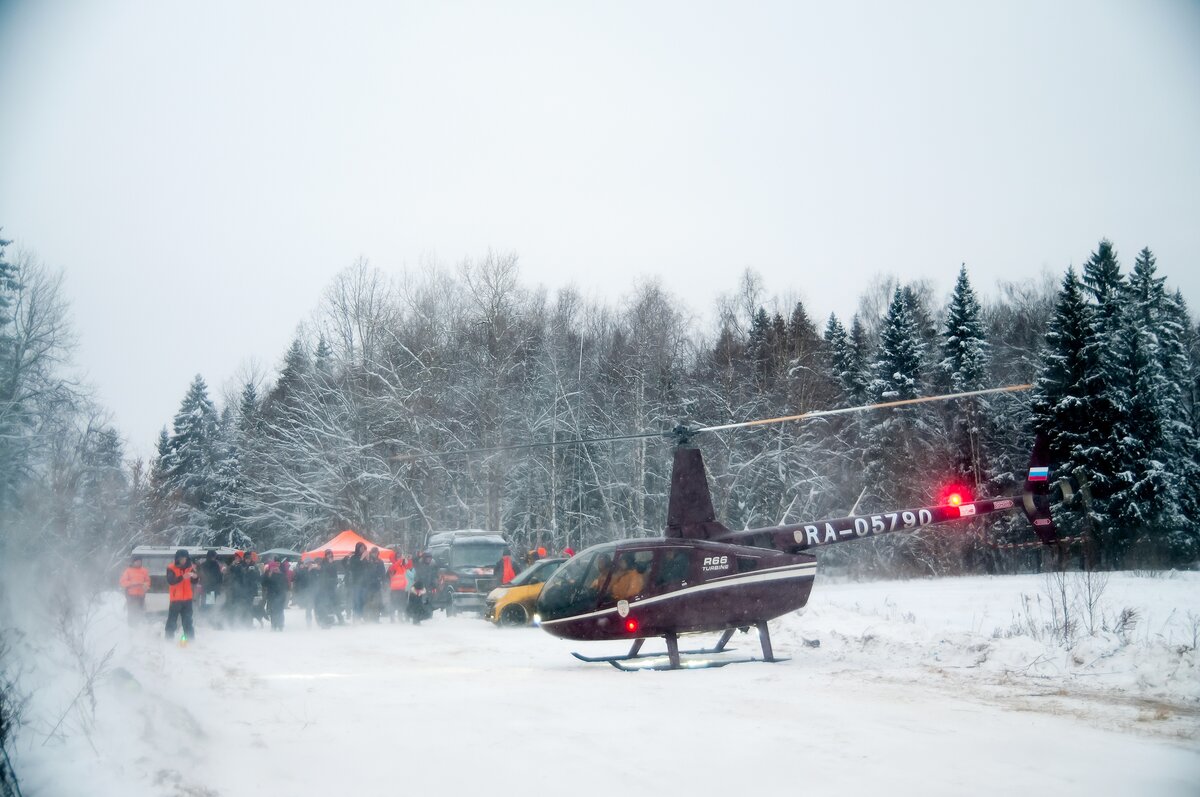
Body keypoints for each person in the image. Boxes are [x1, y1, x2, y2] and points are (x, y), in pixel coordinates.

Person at [164, 549, 198, 641]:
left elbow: (195, 581)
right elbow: (171, 581)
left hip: (187, 599)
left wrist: (195, 577)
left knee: (188, 621)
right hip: (175, 599)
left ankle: (190, 640)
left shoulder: (190, 567)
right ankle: (168, 640)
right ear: (177, 558)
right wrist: (182, 577)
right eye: (181, 558)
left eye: (185, 558)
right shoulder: (171, 567)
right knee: (172, 621)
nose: (183, 560)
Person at [118, 555, 151, 625]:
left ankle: (140, 626)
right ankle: (131, 627)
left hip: (141, 595)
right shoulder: (128, 571)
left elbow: (148, 581)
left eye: (140, 561)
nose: (138, 563)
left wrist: (146, 585)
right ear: (133, 562)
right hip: (131, 595)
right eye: (137, 561)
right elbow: (122, 582)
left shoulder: (144, 571)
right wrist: (132, 583)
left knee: (140, 611)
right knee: (132, 612)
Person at [408, 552, 436, 625]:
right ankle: (416, 619)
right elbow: (414, 560)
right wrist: (417, 556)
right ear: (424, 558)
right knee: (417, 603)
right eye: (427, 558)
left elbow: (433, 576)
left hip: (427, 587)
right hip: (418, 586)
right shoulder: (419, 564)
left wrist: (433, 585)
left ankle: (424, 617)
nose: (429, 560)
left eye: (430, 558)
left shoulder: (431, 566)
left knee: (426, 603)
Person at [261, 556, 289, 631]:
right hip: (271, 596)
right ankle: (273, 625)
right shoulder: (267, 574)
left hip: (280, 595)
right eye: (272, 567)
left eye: (275, 567)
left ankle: (280, 625)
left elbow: (286, 585)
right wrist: (268, 575)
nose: (274, 569)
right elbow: (263, 584)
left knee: (280, 610)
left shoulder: (281, 574)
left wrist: (280, 574)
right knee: (272, 611)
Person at [315, 550, 341, 628]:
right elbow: (322, 571)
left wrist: (336, 581)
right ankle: (326, 620)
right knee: (326, 603)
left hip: (332, 586)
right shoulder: (323, 563)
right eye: (328, 555)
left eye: (330, 555)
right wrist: (329, 564)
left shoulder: (333, 563)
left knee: (335, 603)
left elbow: (334, 573)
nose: (329, 556)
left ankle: (339, 619)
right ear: (325, 556)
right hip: (324, 587)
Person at [346, 542, 368, 621]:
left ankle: (361, 616)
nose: (362, 549)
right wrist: (361, 558)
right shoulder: (353, 558)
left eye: (363, 548)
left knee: (363, 600)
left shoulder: (366, 558)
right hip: (356, 583)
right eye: (361, 548)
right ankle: (356, 617)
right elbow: (353, 568)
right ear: (357, 548)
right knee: (357, 600)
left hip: (364, 583)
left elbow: (369, 569)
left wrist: (367, 559)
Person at [363, 548, 386, 622]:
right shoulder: (367, 561)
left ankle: (375, 618)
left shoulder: (380, 561)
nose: (374, 554)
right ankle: (367, 619)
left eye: (376, 553)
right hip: (368, 585)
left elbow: (383, 573)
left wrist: (383, 580)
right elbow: (364, 572)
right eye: (373, 553)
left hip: (376, 585)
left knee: (377, 603)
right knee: (367, 603)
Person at [197, 549, 223, 613]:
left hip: (204, 589)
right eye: (214, 556)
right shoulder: (215, 564)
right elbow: (218, 577)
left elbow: (200, 576)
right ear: (212, 556)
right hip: (211, 589)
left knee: (204, 605)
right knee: (209, 606)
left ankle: (204, 619)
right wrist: (218, 588)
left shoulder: (203, 565)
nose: (215, 558)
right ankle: (208, 619)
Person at [387, 554, 411, 623]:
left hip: (402, 589)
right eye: (398, 557)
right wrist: (401, 559)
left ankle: (400, 617)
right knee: (393, 604)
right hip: (395, 589)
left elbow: (409, 566)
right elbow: (395, 566)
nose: (400, 559)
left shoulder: (402, 567)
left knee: (401, 604)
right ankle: (392, 618)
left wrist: (409, 559)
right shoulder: (393, 566)